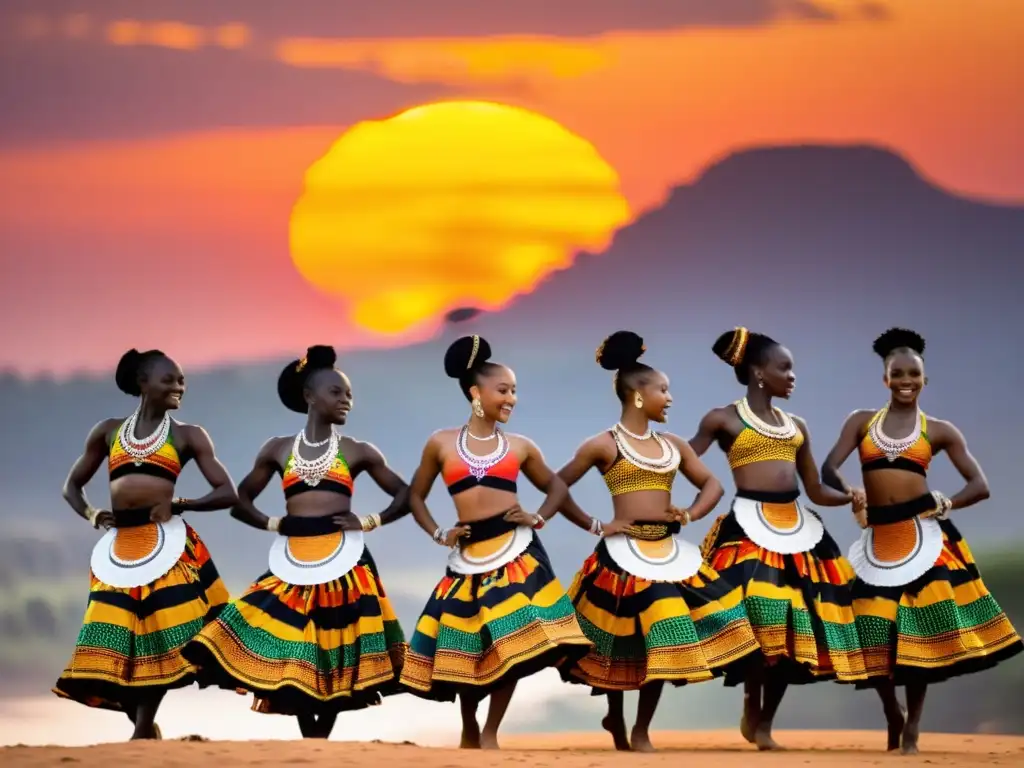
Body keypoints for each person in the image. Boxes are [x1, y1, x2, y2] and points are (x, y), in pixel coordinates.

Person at [182, 345, 410, 739]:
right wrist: (275, 523)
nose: (346, 401)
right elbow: (240, 502)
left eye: (350, 394)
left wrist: (370, 520)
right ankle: (311, 740)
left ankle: (320, 739)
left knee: (339, 647)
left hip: (347, 562)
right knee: (295, 643)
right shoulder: (278, 449)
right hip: (293, 561)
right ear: (309, 396)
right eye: (337, 392)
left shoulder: (357, 451)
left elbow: (406, 494)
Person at [554, 331, 760, 752]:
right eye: (663, 390)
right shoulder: (602, 444)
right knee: (618, 637)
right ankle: (616, 714)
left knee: (664, 634)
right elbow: (557, 485)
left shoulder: (674, 445)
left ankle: (641, 728)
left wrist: (690, 513)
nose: (669, 398)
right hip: (619, 557)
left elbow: (713, 485)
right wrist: (596, 525)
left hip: (666, 554)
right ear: (637, 396)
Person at [821, 328, 1022, 754]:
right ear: (885, 379)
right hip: (878, 538)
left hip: (923, 538)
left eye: (914, 373)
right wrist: (849, 491)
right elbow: (829, 468)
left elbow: (979, 485)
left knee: (915, 637)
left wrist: (946, 502)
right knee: (870, 627)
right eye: (898, 373)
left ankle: (911, 729)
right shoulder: (862, 422)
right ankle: (891, 712)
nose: (906, 380)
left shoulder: (940, 430)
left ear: (925, 380)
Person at [399, 334, 592, 750]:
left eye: (515, 391)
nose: (512, 399)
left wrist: (538, 516)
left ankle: (490, 732)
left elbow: (557, 487)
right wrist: (439, 532)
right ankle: (470, 726)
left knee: (514, 644)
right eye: (504, 390)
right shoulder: (441, 443)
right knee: (468, 645)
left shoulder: (521, 446)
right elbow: (415, 495)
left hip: (517, 553)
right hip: (467, 557)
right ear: (476, 393)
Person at [689, 327, 869, 750]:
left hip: (798, 531)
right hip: (746, 531)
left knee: (795, 626)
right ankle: (752, 698)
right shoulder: (723, 419)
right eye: (783, 367)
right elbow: (682, 457)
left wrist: (850, 496)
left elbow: (816, 490)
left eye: (793, 369)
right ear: (757, 372)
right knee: (760, 615)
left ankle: (765, 721)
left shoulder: (797, 426)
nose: (791, 376)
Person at [54, 349, 237, 740]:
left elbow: (227, 492)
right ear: (143, 383)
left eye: (182, 380)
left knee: (159, 639)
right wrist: (91, 514)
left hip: (167, 548)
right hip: (119, 548)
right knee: (115, 637)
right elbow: (71, 485)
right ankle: (143, 726)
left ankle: (140, 732)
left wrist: (180, 504)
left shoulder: (189, 436)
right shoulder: (107, 431)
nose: (178, 387)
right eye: (168, 379)